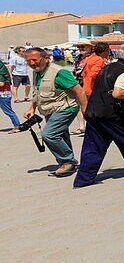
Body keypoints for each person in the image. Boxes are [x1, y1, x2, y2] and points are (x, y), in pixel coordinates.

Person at [73, 43, 124, 188]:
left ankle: (83, 179)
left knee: (93, 148)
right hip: (114, 116)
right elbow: (118, 93)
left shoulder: (108, 67)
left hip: (94, 113)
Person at [24, 46, 87, 177]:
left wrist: (85, 109)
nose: (31, 63)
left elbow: (79, 90)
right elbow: (37, 92)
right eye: (28, 61)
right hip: (50, 110)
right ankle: (67, 164)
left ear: (46, 59)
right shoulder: (37, 72)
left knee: (49, 134)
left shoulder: (59, 72)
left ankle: (67, 161)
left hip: (66, 108)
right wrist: (32, 108)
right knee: (61, 135)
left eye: (34, 60)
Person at [0, 57, 19, 129]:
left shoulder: (1, 72)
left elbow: (1, 83)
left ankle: (17, 126)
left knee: (8, 111)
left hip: (3, 94)